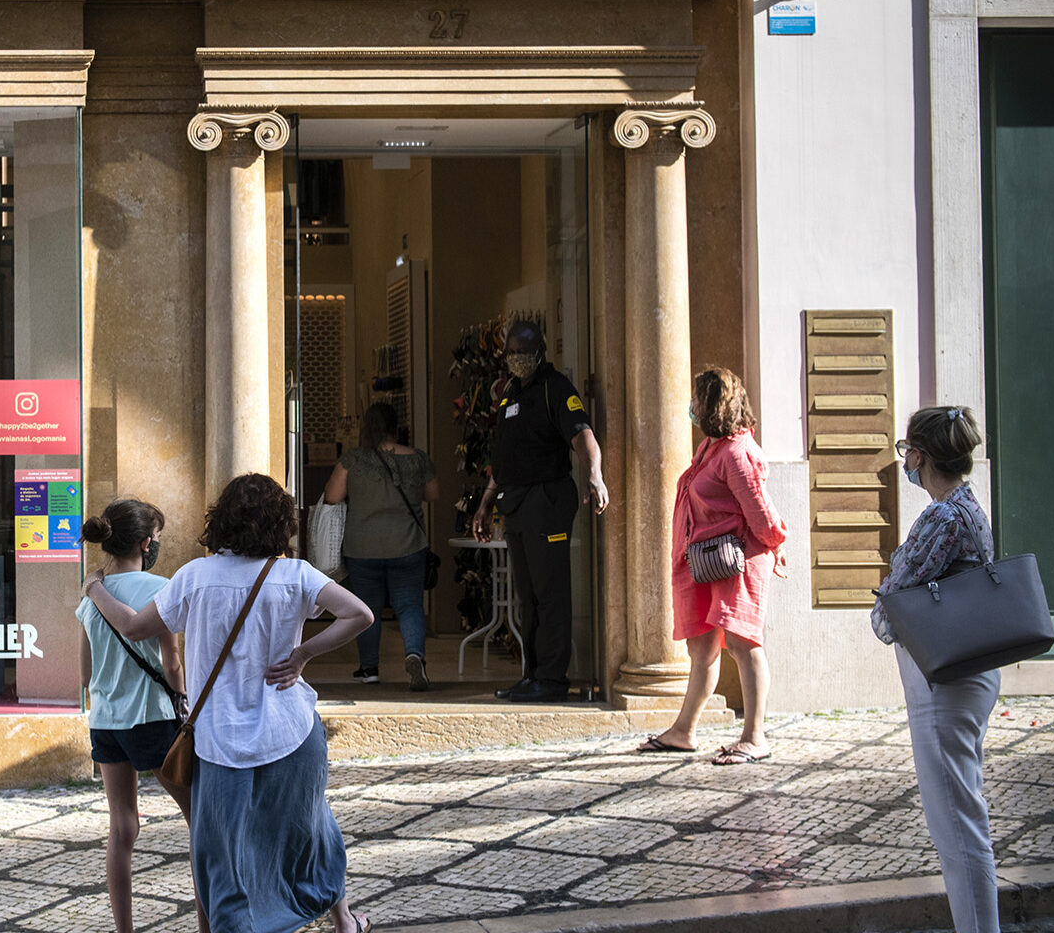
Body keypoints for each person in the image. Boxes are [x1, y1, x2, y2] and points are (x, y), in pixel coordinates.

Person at [84, 473, 376, 933]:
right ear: (279, 522)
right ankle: (343, 922)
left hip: (220, 744)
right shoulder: (293, 574)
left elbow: (137, 626)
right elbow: (359, 614)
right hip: (291, 734)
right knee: (311, 829)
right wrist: (304, 654)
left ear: (221, 519)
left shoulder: (194, 577)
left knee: (219, 859)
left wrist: (95, 590)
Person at [872, 405, 1010, 933]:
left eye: (907, 451)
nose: (905, 460)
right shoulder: (963, 507)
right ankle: (970, 930)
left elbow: (895, 600)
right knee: (955, 810)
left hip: (946, 682)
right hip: (959, 676)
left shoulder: (941, 518)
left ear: (920, 456)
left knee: (956, 814)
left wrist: (881, 603)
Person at [73, 499, 208, 933]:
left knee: (122, 828)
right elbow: (172, 663)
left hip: (107, 724)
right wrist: (184, 698)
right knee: (201, 822)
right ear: (146, 544)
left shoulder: (93, 595)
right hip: (153, 720)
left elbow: (86, 673)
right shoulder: (161, 588)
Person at [638, 367, 790, 764]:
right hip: (707, 563)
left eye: (697, 400)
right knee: (701, 648)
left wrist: (777, 544)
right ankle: (683, 732)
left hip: (738, 560)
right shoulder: (713, 446)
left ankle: (755, 737)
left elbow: (759, 510)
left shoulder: (739, 453)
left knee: (742, 643)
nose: (691, 407)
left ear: (713, 404)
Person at [469, 320, 609, 701]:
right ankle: (532, 675)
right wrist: (484, 504)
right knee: (527, 595)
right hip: (513, 504)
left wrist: (594, 476)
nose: (517, 360)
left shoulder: (556, 388)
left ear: (540, 352)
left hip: (546, 503)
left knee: (550, 593)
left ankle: (551, 679)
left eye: (523, 353)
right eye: (511, 353)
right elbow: (503, 460)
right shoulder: (508, 395)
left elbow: (583, 436)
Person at [324, 403, 441, 690]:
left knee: (367, 608)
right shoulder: (418, 459)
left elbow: (333, 496)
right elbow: (434, 494)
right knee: (410, 605)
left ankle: (369, 669)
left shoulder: (352, 460)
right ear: (396, 425)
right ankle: (415, 655)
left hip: (362, 548)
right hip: (408, 545)